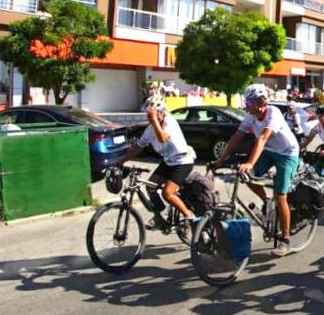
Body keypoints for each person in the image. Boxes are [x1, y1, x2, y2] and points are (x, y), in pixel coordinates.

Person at [213, 84, 300, 257]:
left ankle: (285, 240)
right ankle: (267, 201)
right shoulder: (251, 115)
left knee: (281, 196)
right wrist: (220, 159)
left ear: (261, 102)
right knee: (247, 176)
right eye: (247, 101)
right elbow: (236, 137)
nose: (247, 104)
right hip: (269, 151)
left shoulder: (272, 113)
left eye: (250, 101)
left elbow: (262, 138)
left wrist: (251, 162)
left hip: (287, 154)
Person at [116, 95, 197, 228]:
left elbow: (162, 138)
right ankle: (159, 217)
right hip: (169, 162)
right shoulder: (150, 129)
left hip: (183, 161)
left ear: (161, 112)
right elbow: (138, 147)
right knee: (150, 186)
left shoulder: (170, 122)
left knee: (167, 193)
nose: (149, 117)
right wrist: (121, 161)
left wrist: (154, 121)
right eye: (148, 115)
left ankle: (191, 218)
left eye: (152, 114)